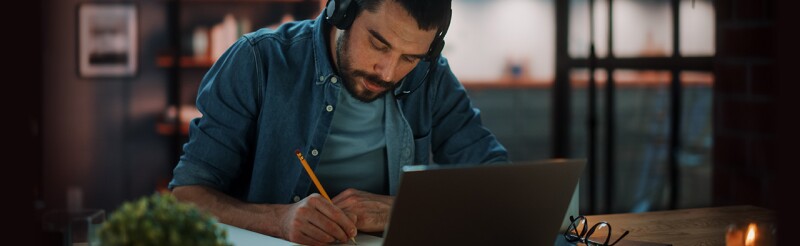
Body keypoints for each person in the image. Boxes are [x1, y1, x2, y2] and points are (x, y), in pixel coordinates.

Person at [169, 0, 508, 245]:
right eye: (378, 44)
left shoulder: (431, 78)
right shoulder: (258, 60)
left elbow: (498, 184)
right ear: (342, 10)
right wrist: (279, 221)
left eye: (410, 57)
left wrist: (400, 211)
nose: (388, 72)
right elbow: (187, 195)